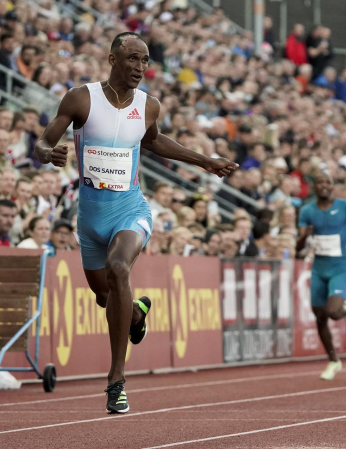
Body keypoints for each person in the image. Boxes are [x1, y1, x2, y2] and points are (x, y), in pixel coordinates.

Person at [34, 32, 237, 414]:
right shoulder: (81, 98)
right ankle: (138, 313)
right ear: (113, 59)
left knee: (118, 268)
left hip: (131, 209)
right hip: (91, 217)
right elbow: (42, 142)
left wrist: (205, 161)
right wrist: (49, 154)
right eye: (132, 59)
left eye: (145, 61)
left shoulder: (148, 106)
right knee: (104, 296)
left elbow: (154, 142)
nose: (140, 68)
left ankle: (116, 381)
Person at [296, 171, 346, 380]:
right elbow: (298, 246)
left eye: (327, 182)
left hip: (339, 266)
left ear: (332, 186)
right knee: (320, 317)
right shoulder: (307, 211)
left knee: (333, 311)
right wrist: (305, 236)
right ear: (314, 187)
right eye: (319, 181)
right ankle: (333, 361)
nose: (323, 185)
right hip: (319, 268)